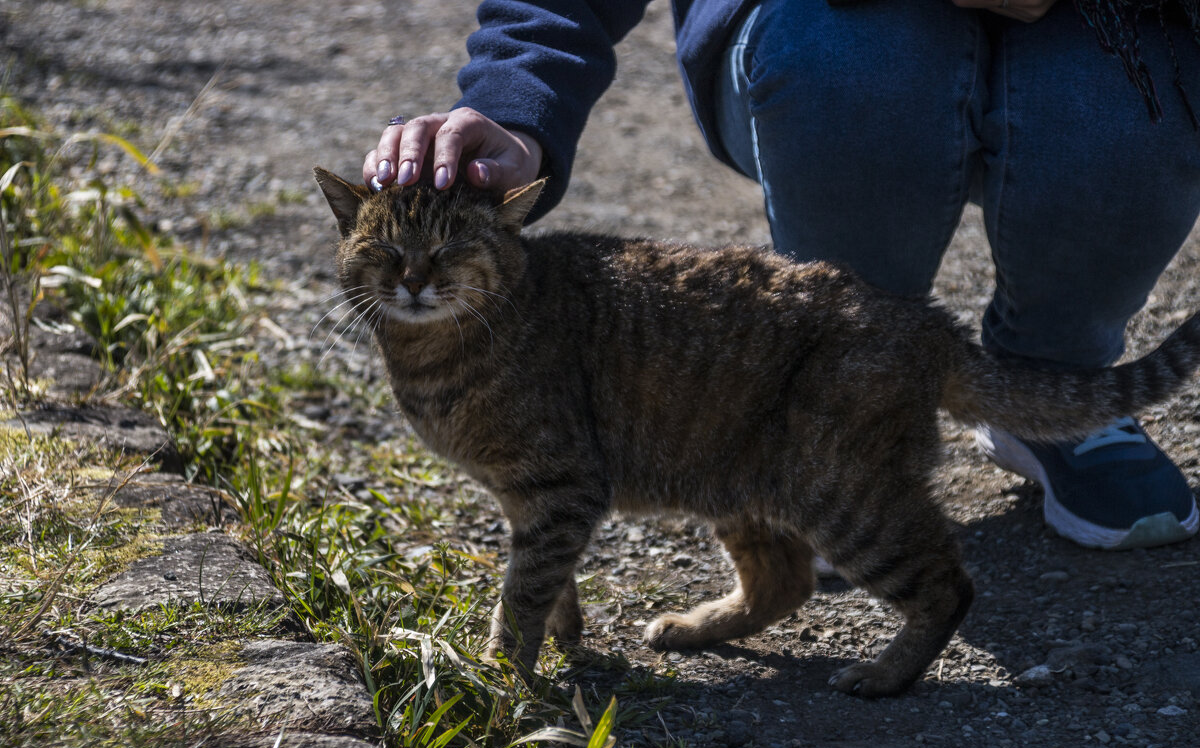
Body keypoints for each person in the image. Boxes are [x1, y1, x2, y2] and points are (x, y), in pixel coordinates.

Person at [363, 0, 1200, 551]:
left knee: (1136, 101)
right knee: (855, 60)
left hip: (1106, 27)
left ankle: (1056, 384)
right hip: (837, 30)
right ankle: (841, 428)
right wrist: (517, 108)